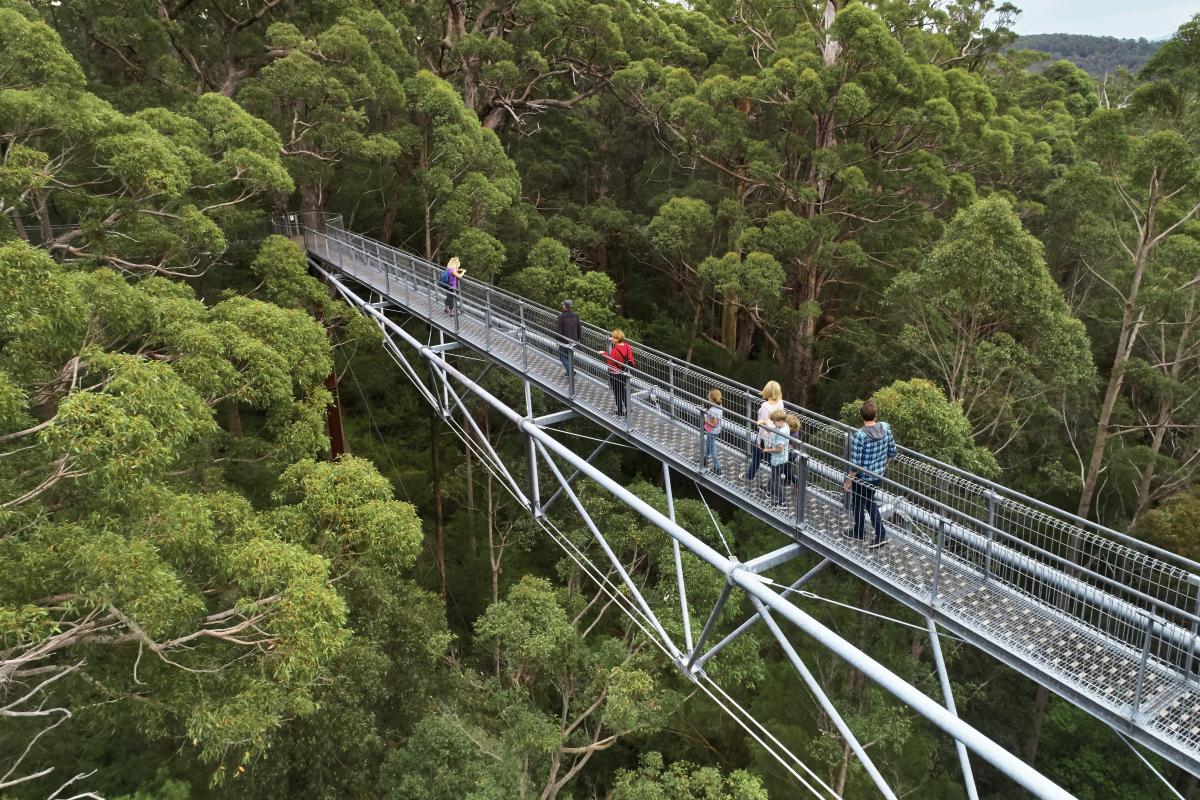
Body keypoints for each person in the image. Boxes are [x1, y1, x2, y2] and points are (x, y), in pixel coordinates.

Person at [842, 399, 896, 548]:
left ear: (861, 415)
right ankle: (859, 530)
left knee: (868, 503)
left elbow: (856, 463)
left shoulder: (860, 435)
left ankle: (881, 535)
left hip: (863, 477)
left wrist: (848, 480)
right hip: (878, 475)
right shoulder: (885, 428)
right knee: (859, 501)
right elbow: (892, 452)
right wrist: (884, 465)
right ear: (876, 414)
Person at [746, 381, 784, 482]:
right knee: (772, 461)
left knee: (756, 458)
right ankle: (776, 480)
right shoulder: (780, 402)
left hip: (765, 438)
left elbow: (762, 426)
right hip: (776, 437)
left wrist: (758, 441)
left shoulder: (765, 405)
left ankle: (749, 477)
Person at [599, 329, 635, 416]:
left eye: (613, 337)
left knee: (617, 391)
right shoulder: (627, 346)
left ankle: (619, 410)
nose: (611, 339)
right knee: (623, 390)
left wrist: (603, 353)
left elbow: (610, 362)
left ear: (617, 339)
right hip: (624, 372)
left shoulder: (615, 350)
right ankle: (628, 408)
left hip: (615, 374)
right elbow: (631, 359)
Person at [764, 408, 791, 506]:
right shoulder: (783, 426)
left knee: (776, 482)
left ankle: (782, 502)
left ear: (781, 421)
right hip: (778, 459)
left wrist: (767, 450)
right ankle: (769, 491)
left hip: (779, 460)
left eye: (775, 422)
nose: (774, 424)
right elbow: (775, 429)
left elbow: (780, 449)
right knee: (773, 476)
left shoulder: (782, 433)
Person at [555, 299, 581, 378]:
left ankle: (570, 372)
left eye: (563, 305)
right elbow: (579, 328)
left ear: (565, 307)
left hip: (564, 341)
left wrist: (557, 340)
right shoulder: (576, 315)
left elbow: (558, 330)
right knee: (569, 357)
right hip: (573, 340)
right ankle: (569, 372)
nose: (562, 306)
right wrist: (578, 338)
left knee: (563, 358)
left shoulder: (561, 316)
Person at [701, 389, 724, 475]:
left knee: (712, 449)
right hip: (716, 431)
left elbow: (714, 424)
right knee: (708, 445)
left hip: (711, 431)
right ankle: (704, 460)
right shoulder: (720, 406)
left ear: (711, 399)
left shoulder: (713, 411)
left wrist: (705, 419)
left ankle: (717, 468)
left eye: (708, 398)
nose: (708, 399)